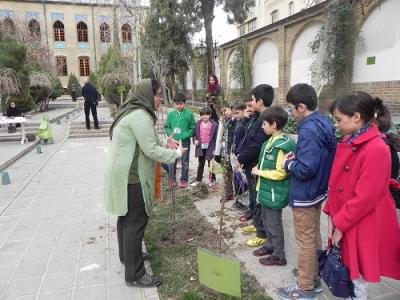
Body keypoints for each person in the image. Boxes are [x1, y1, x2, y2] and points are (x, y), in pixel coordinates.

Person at [105, 78, 186, 288]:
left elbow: (146, 140)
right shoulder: (140, 116)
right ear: (148, 95)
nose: (160, 99)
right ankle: (135, 274)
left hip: (122, 175)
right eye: (159, 95)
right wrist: (175, 153)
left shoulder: (132, 111)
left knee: (125, 219)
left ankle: (127, 256)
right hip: (132, 179)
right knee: (136, 223)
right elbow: (150, 150)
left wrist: (164, 141)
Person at [323, 92, 400, 299]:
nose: (336, 125)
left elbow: (365, 197)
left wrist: (340, 223)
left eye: (339, 119)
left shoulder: (376, 148)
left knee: (357, 275)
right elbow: (337, 182)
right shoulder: (353, 140)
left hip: (362, 219)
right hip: (347, 216)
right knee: (347, 267)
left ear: (356, 117)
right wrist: (332, 214)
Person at [277, 84, 336, 300]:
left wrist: (288, 165)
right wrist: (299, 160)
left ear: (301, 107)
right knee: (313, 236)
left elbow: (305, 169)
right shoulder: (324, 121)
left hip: (305, 194)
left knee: (304, 241)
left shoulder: (308, 130)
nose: (290, 113)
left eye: (291, 108)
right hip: (318, 190)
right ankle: (313, 275)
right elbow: (317, 159)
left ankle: (305, 288)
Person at [251, 106, 296, 266]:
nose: (262, 126)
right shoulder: (270, 141)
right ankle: (269, 246)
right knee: (266, 220)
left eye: (264, 124)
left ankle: (279, 255)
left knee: (274, 224)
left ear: (274, 124)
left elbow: (280, 173)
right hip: (265, 190)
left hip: (274, 193)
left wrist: (259, 172)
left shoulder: (282, 145)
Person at [237, 84, 274, 248]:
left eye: (252, 100)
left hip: (256, 165)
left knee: (259, 198)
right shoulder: (257, 117)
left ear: (260, 101)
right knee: (253, 195)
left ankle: (262, 233)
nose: (250, 104)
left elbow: (257, 144)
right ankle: (257, 223)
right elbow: (248, 137)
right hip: (250, 163)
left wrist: (241, 157)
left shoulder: (267, 119)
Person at [164, 93, 196, 188]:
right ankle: (172, 179)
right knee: (173, 160)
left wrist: (186, 134)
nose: (179, 106)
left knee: (185, 161)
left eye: (181, 104)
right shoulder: (171, 114)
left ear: (184, 104)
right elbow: (167, 126)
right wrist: (171, 135)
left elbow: (193, 127)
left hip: (185, 141)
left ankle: (184, 180)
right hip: (174, 141)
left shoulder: (189, 114)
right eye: (177, 104)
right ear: (174, 104)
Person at [191, 107, 218, 187]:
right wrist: (195, 140)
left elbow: (216, 138)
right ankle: (198, 179)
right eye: (202, 115)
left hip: (210, 147)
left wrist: (215, 149)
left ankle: (212, 179)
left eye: (206, 114)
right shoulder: (198, 124)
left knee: (211, 164)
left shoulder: (214, 125)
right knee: (201, 164)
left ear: (210, 115)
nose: (204, 116)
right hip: (201, 147)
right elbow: (195, 134)